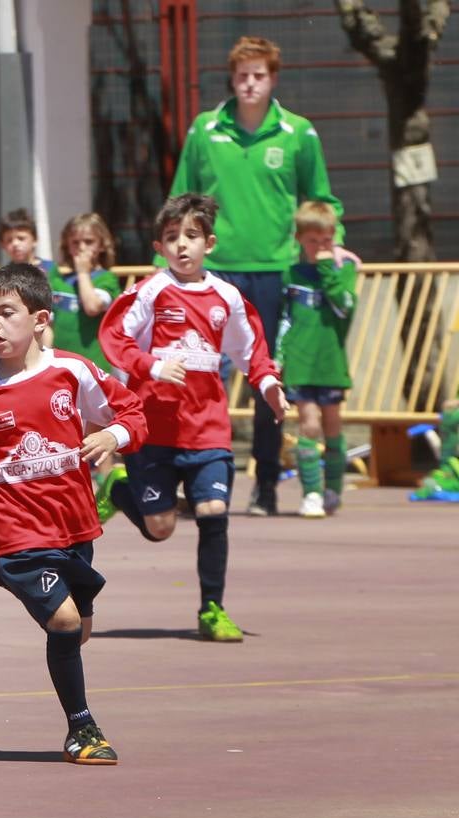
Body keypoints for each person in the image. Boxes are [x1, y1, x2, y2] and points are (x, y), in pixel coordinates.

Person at [0, 263, 147, 764]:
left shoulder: (73, 371)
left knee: (78, 632)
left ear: (40, 318)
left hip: (73, 525)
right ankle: (82, 731)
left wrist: (113, 435)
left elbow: (132, 413)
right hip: (16, 525)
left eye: (6, 313)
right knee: (64, 623)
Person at [164, 35, 356, 517]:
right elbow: (181, 197)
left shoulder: (298, 132)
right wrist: (162, 264)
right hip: (215, 271)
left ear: (273, 79)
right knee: (198, 378)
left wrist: (330, 245)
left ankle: (265, 486)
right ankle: (199, 481)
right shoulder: (205, 129)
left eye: (259, 75)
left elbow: (323, 200)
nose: (250, 84)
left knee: (265, 381)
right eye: (242, 75)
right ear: (232, 78)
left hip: (275, 272)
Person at [99, 194, 287, 642]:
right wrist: (152, 366)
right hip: (155, 429)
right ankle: (118, 487)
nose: (181, 245)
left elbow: (252, 351)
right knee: (160, 529)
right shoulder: (149, 291)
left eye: (191, 236)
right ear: (159, 246)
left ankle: (212, 610)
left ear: (210, 243)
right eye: (171, 238)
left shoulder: (227, 298)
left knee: (213, 510)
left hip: (208, 429)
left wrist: (269, 386)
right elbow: (114, 337)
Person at [276, 201, 358, 517]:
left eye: (325, 240)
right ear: (299, 239)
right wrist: (278, 359)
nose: (320, 247)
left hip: (330, 363)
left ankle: (333, 489)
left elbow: (344, 307)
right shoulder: (292, 275)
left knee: (333, 426)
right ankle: (311, 493)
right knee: (309, 425)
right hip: (300, 361)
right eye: (313, 240)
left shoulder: (344, 271)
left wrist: (327, 269)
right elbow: (285, 319)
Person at [48, 213, 120, 374]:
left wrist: (82, 273)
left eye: (88, 242)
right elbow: (49, 325)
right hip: (62, 366)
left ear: (101, 245)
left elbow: (93, 307)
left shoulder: (106, 279)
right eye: (75, 242)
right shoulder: (59, 282)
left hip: (95, 367)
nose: (81, 247)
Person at [409, 399, 459, 502]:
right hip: (451, 452)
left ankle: (438, 485)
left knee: (443, 459)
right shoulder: (453, 416)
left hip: (447, 452)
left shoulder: (444, 417)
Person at [0, 207, 54, 274]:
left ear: (35, 240)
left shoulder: (50, 268)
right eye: (9, 240)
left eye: (21, 238)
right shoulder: (5, 274)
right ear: (2, 244)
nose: (15, 244)